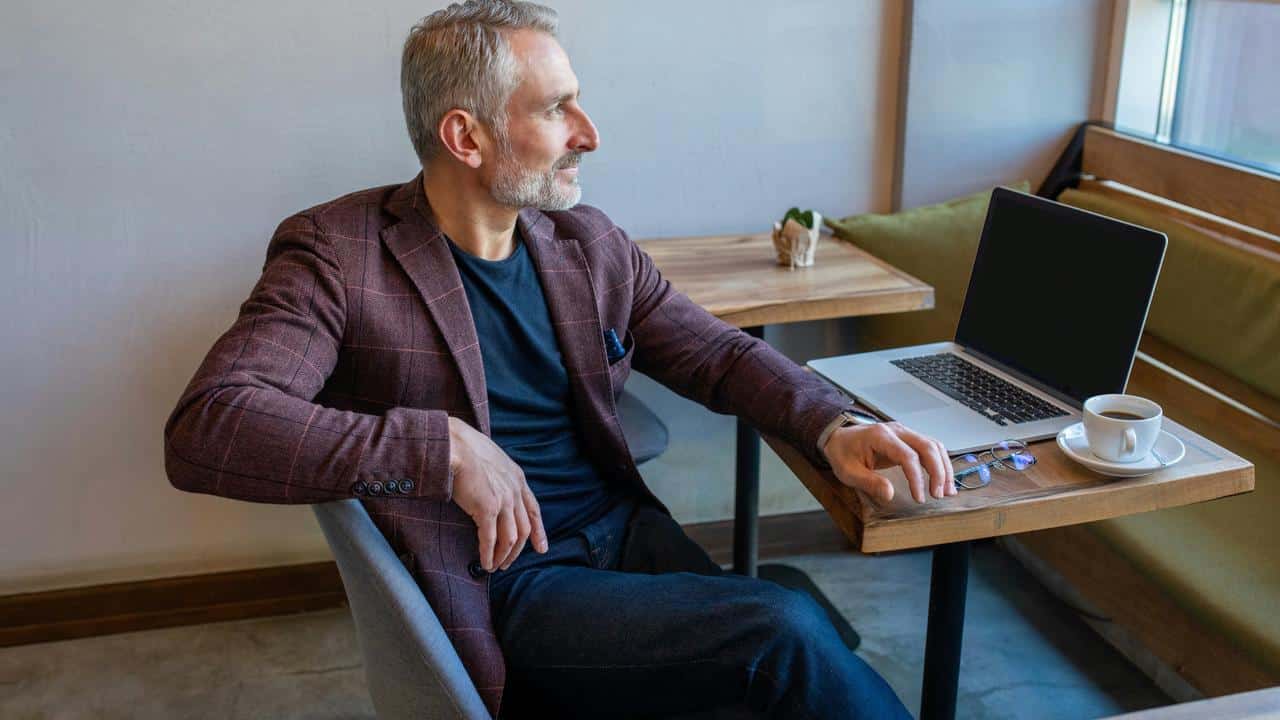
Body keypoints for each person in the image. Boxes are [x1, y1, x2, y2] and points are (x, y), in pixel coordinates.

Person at [163, 1, 957, 717]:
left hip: (625, 535)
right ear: (466, 137)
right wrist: (440, 449)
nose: (589, 132)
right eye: (555, 108)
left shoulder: (587, 243)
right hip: (507, 585)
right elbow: (211, 425)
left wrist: (832, 425)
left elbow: (714, 354)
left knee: (790, 660)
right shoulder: (339, 254)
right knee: (781, 631)